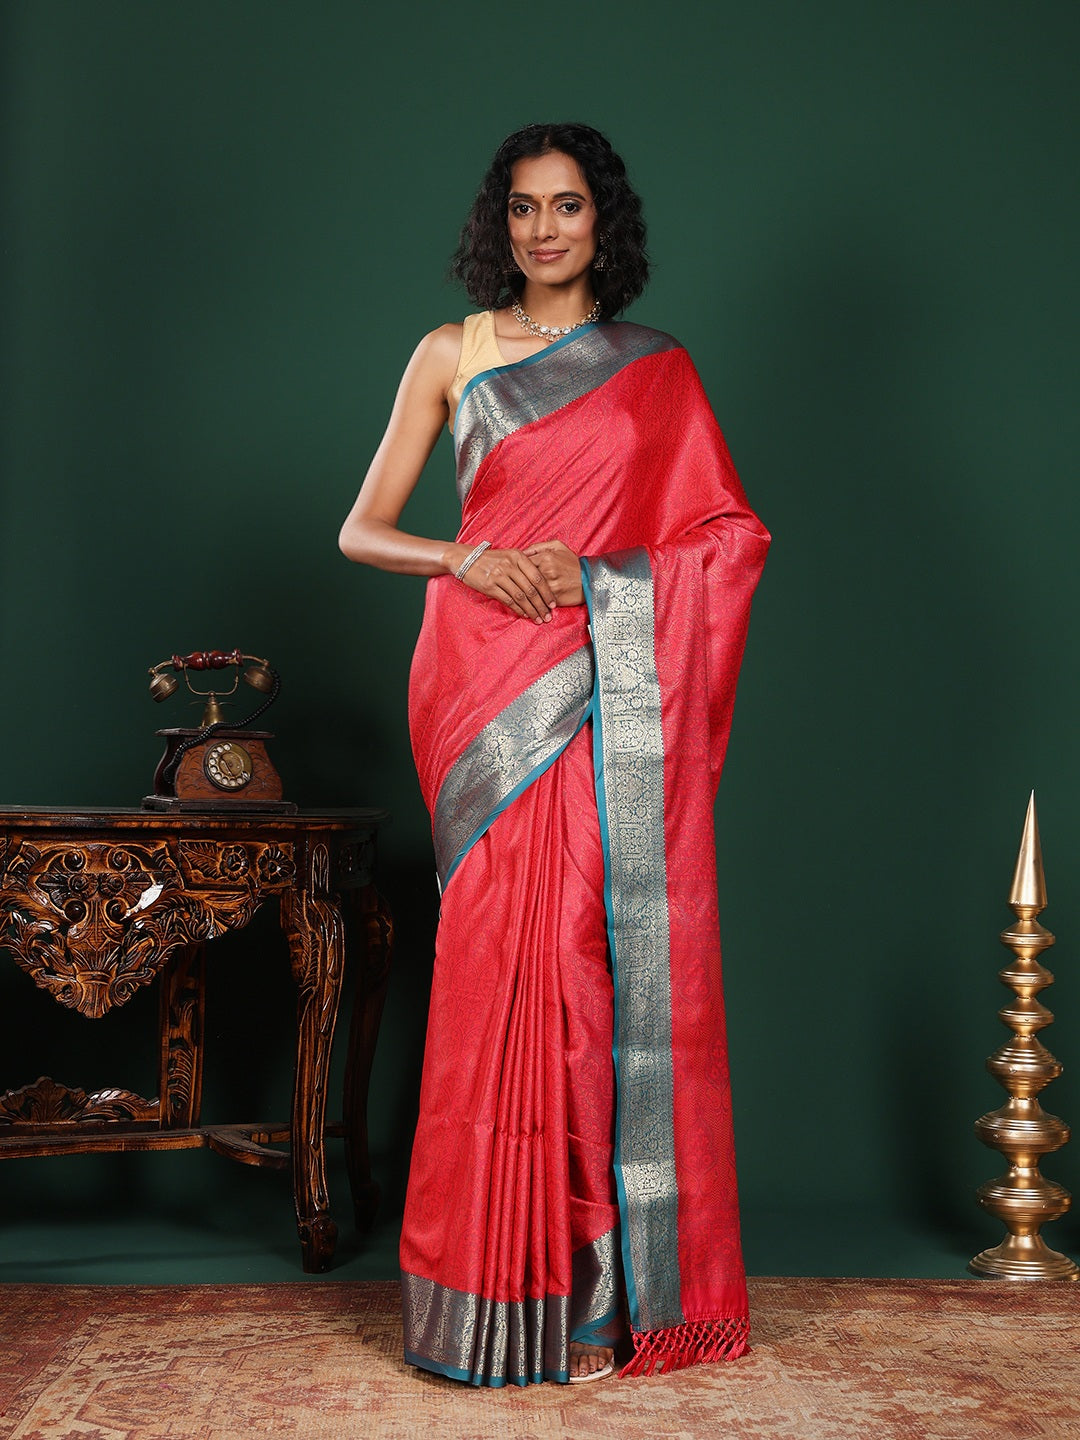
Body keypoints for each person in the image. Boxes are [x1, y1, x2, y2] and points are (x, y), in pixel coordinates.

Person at [339, 122, 770, 1387]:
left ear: (602, 221)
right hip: (478, 679)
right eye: (523, 208)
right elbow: (363, 530)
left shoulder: (658, 370)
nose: (543, 230)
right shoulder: (450, 352)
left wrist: (597, 580)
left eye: (567, 206)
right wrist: (465, 557)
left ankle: (589, 1293)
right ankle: (484, 1292)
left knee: (585, 962)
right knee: (491, 972)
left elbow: (727, 539)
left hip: (601, 676)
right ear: (500, 222)